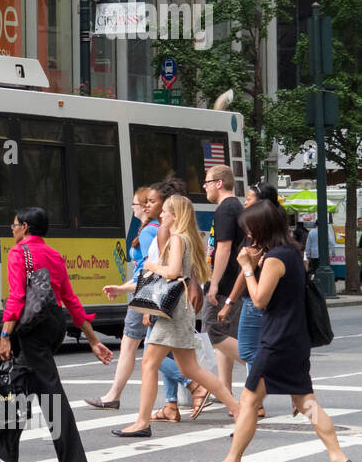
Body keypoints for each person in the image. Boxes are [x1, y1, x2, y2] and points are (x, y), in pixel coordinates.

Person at [201, 201, 355, 462]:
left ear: (262, 229)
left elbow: (259, 300)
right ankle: (337, 458)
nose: (249, 236)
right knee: (306, 401)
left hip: (277, 342)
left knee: (248, 401)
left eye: (251, 230)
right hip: (293, 340)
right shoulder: (292, 252)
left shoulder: (275, 259)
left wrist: (248, 267)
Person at [0, 208, 113, 462]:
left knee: (50, 394)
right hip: (54, 324)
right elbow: (71, 299)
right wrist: (92, 339)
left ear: (26, 227)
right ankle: (3, 448)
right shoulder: (54, 255)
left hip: (32, 328)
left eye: (15, 224)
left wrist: (5, 335)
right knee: (20, 380)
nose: (12, 228)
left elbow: (17, 297)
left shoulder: (19, 253)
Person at [112, 195, 241, 438]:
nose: (161, 215)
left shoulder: (177, 239)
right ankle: (239, 409)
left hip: (172, 311)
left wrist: (151, 266)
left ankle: (142, 422)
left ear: (175, 215)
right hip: (180, 310)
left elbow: (171, 273)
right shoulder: (185, 238)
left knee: (150, 363)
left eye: (165, 212)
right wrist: (122, 288)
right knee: (191, 368)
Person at [89, 186, 158, 409]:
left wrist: (130, 292)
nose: (133, 208)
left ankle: (113, 395)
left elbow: (149, 270)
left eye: (136, 204)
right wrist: (122, 288)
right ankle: (185, 393)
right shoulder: (155, 228)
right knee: (159, 347)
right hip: (144, 293)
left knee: (132, 345)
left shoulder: (148, 232)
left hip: (145, 295)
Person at [218, 183, 282, 416]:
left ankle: (257, 399)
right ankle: (257, 398)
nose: (245, 203)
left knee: (248, 351)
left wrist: (229, 302)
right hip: (265, 301)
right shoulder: (276, 230)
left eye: (249, 198)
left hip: (255, 301)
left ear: (261, 202)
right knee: (255, 350)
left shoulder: (257, 236)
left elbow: (244, 274)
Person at [201, 165, 245, 394]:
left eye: (207, 182)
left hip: (226, 284)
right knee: (225, 335)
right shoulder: (234, 207)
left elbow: (224, 248)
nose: (205, 186)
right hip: (233, 282)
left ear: (219, 183)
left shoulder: (226, 209)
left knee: (213, 332)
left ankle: (261, 370)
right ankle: (225, 390)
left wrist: (214, 282)